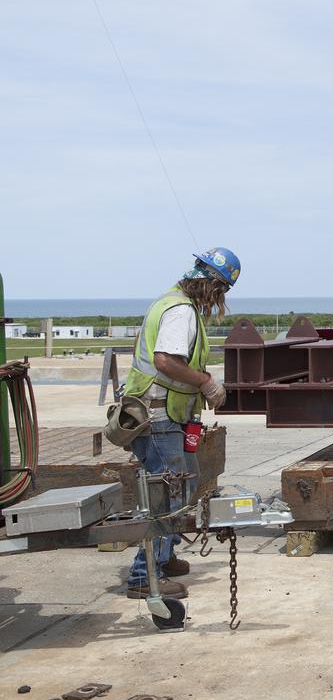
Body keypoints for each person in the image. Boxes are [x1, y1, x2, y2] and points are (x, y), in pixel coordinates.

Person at [120, 247, 239, 599]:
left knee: (182, 488)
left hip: (162, 415)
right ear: (215, 286)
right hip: (159, 419)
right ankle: (145, 576)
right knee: (167, 498)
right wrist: (204, 382)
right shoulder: (181, 311)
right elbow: (165, 361)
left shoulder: (170, 301)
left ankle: (165, 555)